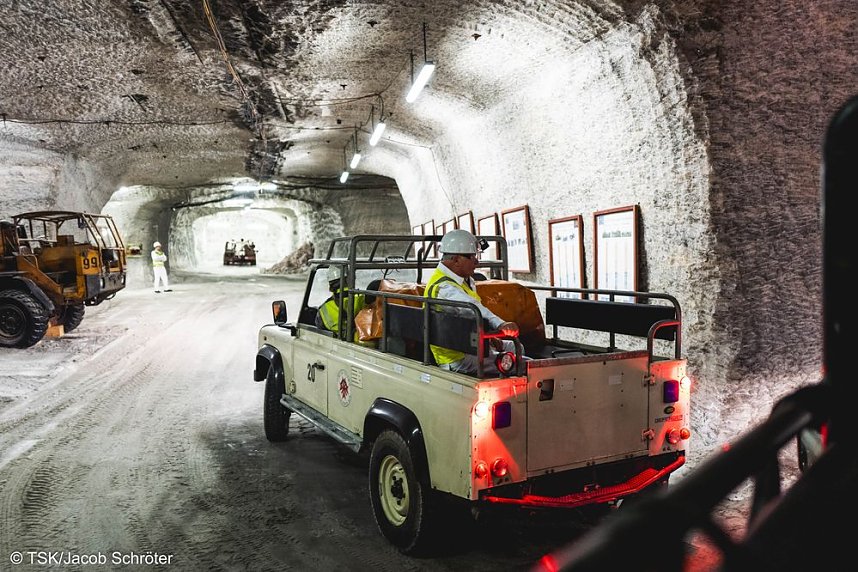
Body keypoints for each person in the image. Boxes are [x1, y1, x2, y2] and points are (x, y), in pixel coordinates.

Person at [426, 229, 521, 376]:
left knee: (515, 347)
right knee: (524, 363)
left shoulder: (463, 279)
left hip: (470, 345)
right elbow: (472, 308)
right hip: (458, 358)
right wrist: (500, 324)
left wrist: (490, 336)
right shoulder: (444, 288)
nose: (476, 261)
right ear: (456, 260)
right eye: (471, 256)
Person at [315, 266, 365, 340]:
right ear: (350, 279)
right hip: (365, 339)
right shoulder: (364, 298)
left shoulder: (324, 309)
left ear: (330, 284)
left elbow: (320, 329)